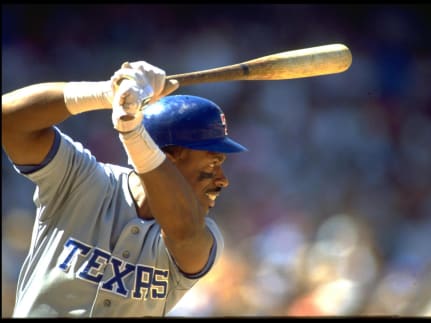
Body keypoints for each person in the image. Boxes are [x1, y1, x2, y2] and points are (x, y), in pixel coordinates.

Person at [1, 61, 247, 317]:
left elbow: (183, 232)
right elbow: (9, 121)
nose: (222, 180)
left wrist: (132, 130)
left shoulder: (203, 233)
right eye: (213, 161)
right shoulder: (82, 180)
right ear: (171, 157)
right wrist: (107, 93)